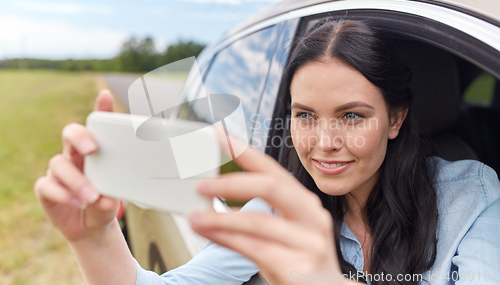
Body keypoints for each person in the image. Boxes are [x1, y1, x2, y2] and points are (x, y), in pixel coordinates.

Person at [34, 18, 500, 285]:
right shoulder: (277, 211)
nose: (323, 143)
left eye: (352, 116)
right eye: (305, 116)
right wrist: (91, 239)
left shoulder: (471, 196)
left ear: (395, 119)